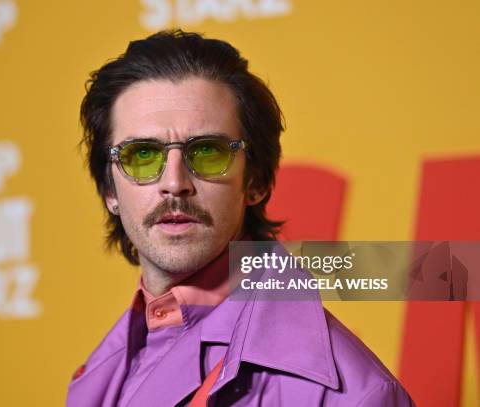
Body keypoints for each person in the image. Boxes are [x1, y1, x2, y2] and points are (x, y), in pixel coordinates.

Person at [67, 29, 415, 406]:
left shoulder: (352, 397)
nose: (174, 183)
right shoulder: (99, 374)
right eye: (142, 156)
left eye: (208, 152)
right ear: (110, 191)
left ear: (256, 181)